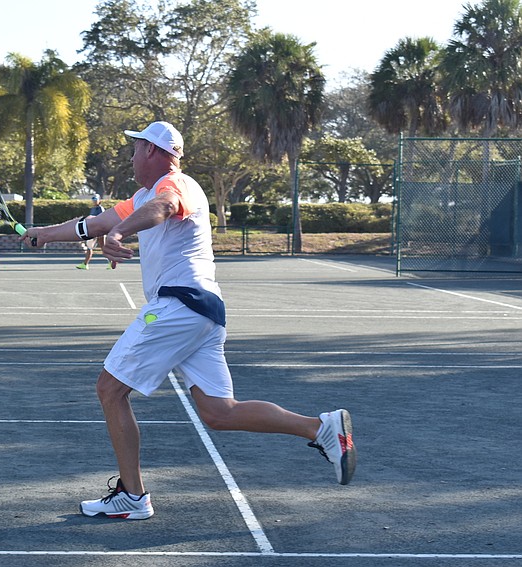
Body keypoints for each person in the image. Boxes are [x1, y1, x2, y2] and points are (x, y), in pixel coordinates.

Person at [22, 121, 356, 520]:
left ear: (152, 151)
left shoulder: (177, 185)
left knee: (110, 390)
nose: (131, 156)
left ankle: (132, 495)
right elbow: (93, 225)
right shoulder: (143, 194)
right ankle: (321, 428)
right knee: (220, 413)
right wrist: (42, 233)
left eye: (136, 148)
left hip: (179, 305)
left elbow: (160, 210)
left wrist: (120, 235)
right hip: (204, 311)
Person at [76, 194, 109, 270]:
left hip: (99, 231)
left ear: (99, 200)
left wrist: (101, 231)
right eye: (93, 200)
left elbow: (102, 219)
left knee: (103, 248)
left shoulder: (100, 209)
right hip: (92, 231)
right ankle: (85, 264)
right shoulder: (93, 209)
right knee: (89, 247)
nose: (94, 201)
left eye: (96, 200)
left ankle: (111, 262)